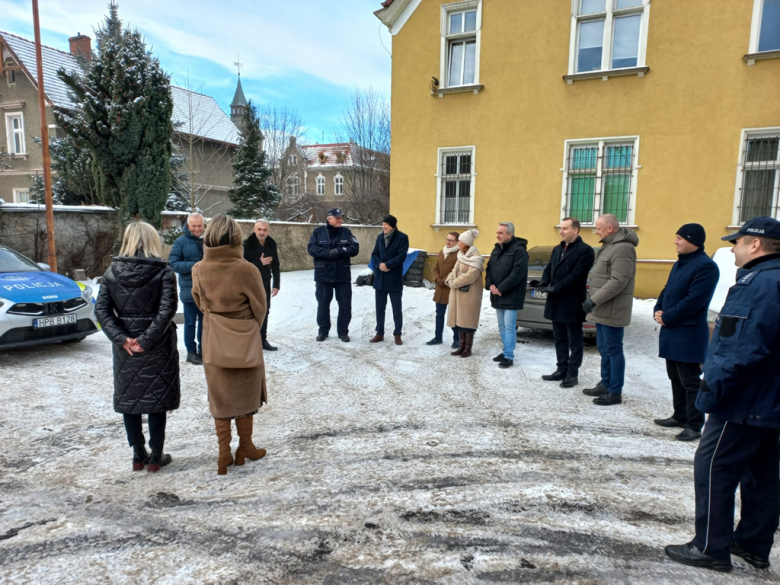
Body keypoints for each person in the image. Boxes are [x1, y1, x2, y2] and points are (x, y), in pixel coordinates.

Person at [665, 216, 780, 572]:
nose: (733, 249)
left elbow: (740, 346)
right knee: (763, 472)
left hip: (744, 399)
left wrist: (714, 387)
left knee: (713, 466)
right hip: (771, 400)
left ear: (755, 245)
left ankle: (709, 547)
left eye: (738, 242)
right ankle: (752, 544)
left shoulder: (758, 283)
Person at [95, 221, 179, 473]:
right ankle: (155, 454)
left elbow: (101, 310)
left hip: (126, 347)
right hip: (157, 345)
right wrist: (145, 340)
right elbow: (167, 311)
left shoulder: (112, 272)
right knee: (155, 399)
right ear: (152, 241)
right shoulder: (164, 272)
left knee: (129, 397)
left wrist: (122, 339)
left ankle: (137, 453)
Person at [191, 215, 268, 476]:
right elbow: (261, 307)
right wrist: (246, 326)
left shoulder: (199, 269)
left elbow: (200, 304)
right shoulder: (247, 269)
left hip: (214, 339)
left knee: (221, 395)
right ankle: (245, 446)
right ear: (236, 238)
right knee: (246, 392)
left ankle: (224, 453)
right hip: (245, 339)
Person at [652, 224, 718, 441]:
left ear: (693, 240)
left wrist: (667, 316)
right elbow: (666, 290)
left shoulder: (706, 266)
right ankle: (679, 415)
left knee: (690, 381)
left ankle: (694, 424)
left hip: (688, 333)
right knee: (675, 377)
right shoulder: (681, 263)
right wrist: (658, 309)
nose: (675, 241)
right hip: (672, 331)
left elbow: (694, 301)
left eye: (679, 238)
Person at [581, 214, 639, 406]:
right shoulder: (610, 245)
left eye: (598, 227)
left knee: (613, 350)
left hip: (612, 309)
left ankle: (615, 390)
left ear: (610, 229)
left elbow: (619, 281)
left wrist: (593, 300)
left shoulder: (623, 248)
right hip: (602, 307)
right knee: (604, 348)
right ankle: (605, 383)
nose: (595, 231)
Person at [536, 217, 595, 387]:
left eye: (565, 228)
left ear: (575, 230)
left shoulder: (585, 251)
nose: (561, 231)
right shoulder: (557, 249)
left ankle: (572, 374)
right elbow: (549, 269)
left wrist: (556, 288)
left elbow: (577, 276)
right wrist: (543, 283)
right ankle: (561, 369)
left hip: (572, 302)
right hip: (556, 301)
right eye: (561, 228)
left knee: (574, 341)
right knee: (559, 338)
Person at [307, 208, 360, 342]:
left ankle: (343, 332)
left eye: (341, 217)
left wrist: (340, 251)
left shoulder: (346, 232)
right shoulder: (318, 232)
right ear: (329, 218)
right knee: (323, 305)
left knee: (345, 305)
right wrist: (327, 253)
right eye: (337, 218)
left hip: (342, 275)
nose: (340, 220)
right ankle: (323, 331)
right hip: (323, 275)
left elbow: (355, 248)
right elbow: (312, 248)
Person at [485, 222, 528, 369]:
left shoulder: (520, 251)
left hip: (511, 295)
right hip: (497, 293)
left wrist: (501, 288)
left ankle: (509, 356)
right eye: (497, 232)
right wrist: (490, 284)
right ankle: (505, 352)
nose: (497, 235)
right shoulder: (496, 249)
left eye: (501, 233)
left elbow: (517, 274)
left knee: (509, 326)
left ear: (510, 234)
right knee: (502, 325)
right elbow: (489, 269)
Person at [169, 213, 205, 365]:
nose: (197, 229)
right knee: (190, 322)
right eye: (194, 226)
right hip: (189, 288)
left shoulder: (209, 241)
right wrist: (196, 266)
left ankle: (204, 350)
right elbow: (174, 263)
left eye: (199, 226)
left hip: (207, 289)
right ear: (188, 226)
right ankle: (191, 352)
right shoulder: (180, 242)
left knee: (205, 323)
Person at [370, 215, 410, 345]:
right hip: (380, 278)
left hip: (394, 279)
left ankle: (397, 333)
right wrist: (379, 265)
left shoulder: (402, 237)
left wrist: (388, 265)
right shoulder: (380, 237)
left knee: (396, 308)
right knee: (379, 308)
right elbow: (374, 254)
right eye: (383, 224)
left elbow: (402, 256)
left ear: (392, 225)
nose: (383, 227)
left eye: (386, 225)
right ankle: (379, 333)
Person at [446, 229, 484, 358]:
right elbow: (454, 270)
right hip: (458, 294)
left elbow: (470, 275)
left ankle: (468, 348)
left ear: (466, 243)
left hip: (470, 295)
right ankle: (461, 346)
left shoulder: (475, 258)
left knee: (468, 321)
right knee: (460, 321)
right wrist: (450, 279)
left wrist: (455, 283)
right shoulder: (461, 255)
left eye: (460, 241)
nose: (458, 243)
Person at [244, 219, 280, 351]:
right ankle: (250, 342)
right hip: (250, 284)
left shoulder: (271, 243)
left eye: (264, 230)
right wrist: (259, 263)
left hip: (265, 282)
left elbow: (275, 264)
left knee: (265, 311)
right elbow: (242, 266)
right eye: (259, 229)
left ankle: (262, 340)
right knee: (251, 312)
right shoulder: (247, 244)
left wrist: (276, 284)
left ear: (268, 231)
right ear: (254, 230)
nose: (262, 232)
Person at [427, 231, 460, 348]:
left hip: (451, 288)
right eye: (447, 239)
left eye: (451, 240)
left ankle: (457, 339)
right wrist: (436, 279)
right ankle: (438, 337)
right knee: (439, 314)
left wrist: (445, 280)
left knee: (454, 315)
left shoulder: (459, 254)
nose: (448, 242)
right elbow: (435, 268)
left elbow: (456, 270)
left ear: (457, 242)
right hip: (440, 289)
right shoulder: (442, 251)